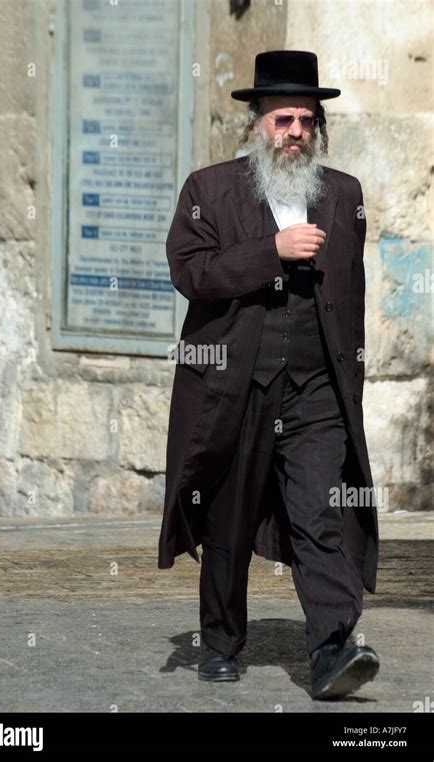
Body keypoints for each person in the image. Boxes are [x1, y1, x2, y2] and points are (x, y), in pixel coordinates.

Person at [158, 51, 380, 700]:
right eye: (283, 119)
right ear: (256, 125)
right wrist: (270, 253)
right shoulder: (210, 190)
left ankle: (333, 647)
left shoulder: (342, 195)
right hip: (235, 386)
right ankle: (222, 642)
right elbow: (191, 273)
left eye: (308, 121)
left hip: (316, 392)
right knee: (226, 518)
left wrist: (351, 386)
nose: (296, 132)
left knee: (320, 512)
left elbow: (352, 298)